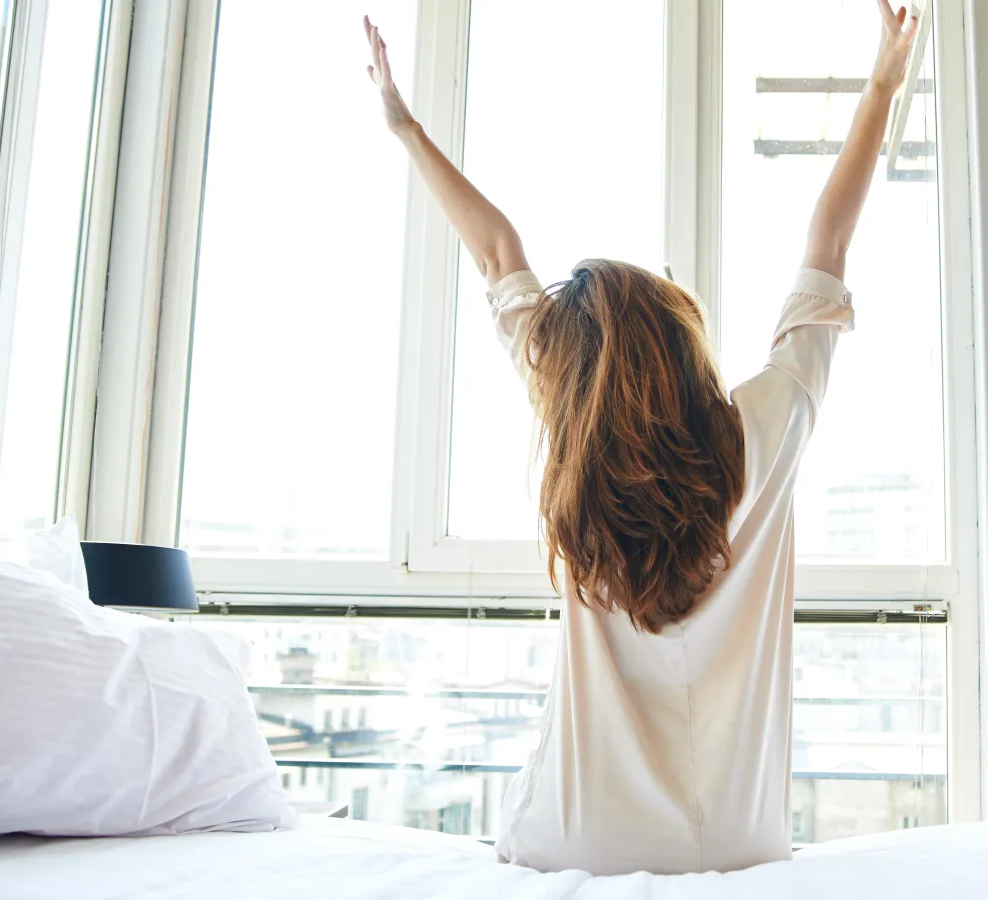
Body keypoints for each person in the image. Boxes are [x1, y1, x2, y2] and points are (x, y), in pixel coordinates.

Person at [364, 2, 920, 876]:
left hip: (577, 836)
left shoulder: (573, 435)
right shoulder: (763, 431)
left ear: (576, 371)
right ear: (680, 335)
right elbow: (831, 240)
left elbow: (497, 251)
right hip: (737, 841)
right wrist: (883, 87)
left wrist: (406, 128)